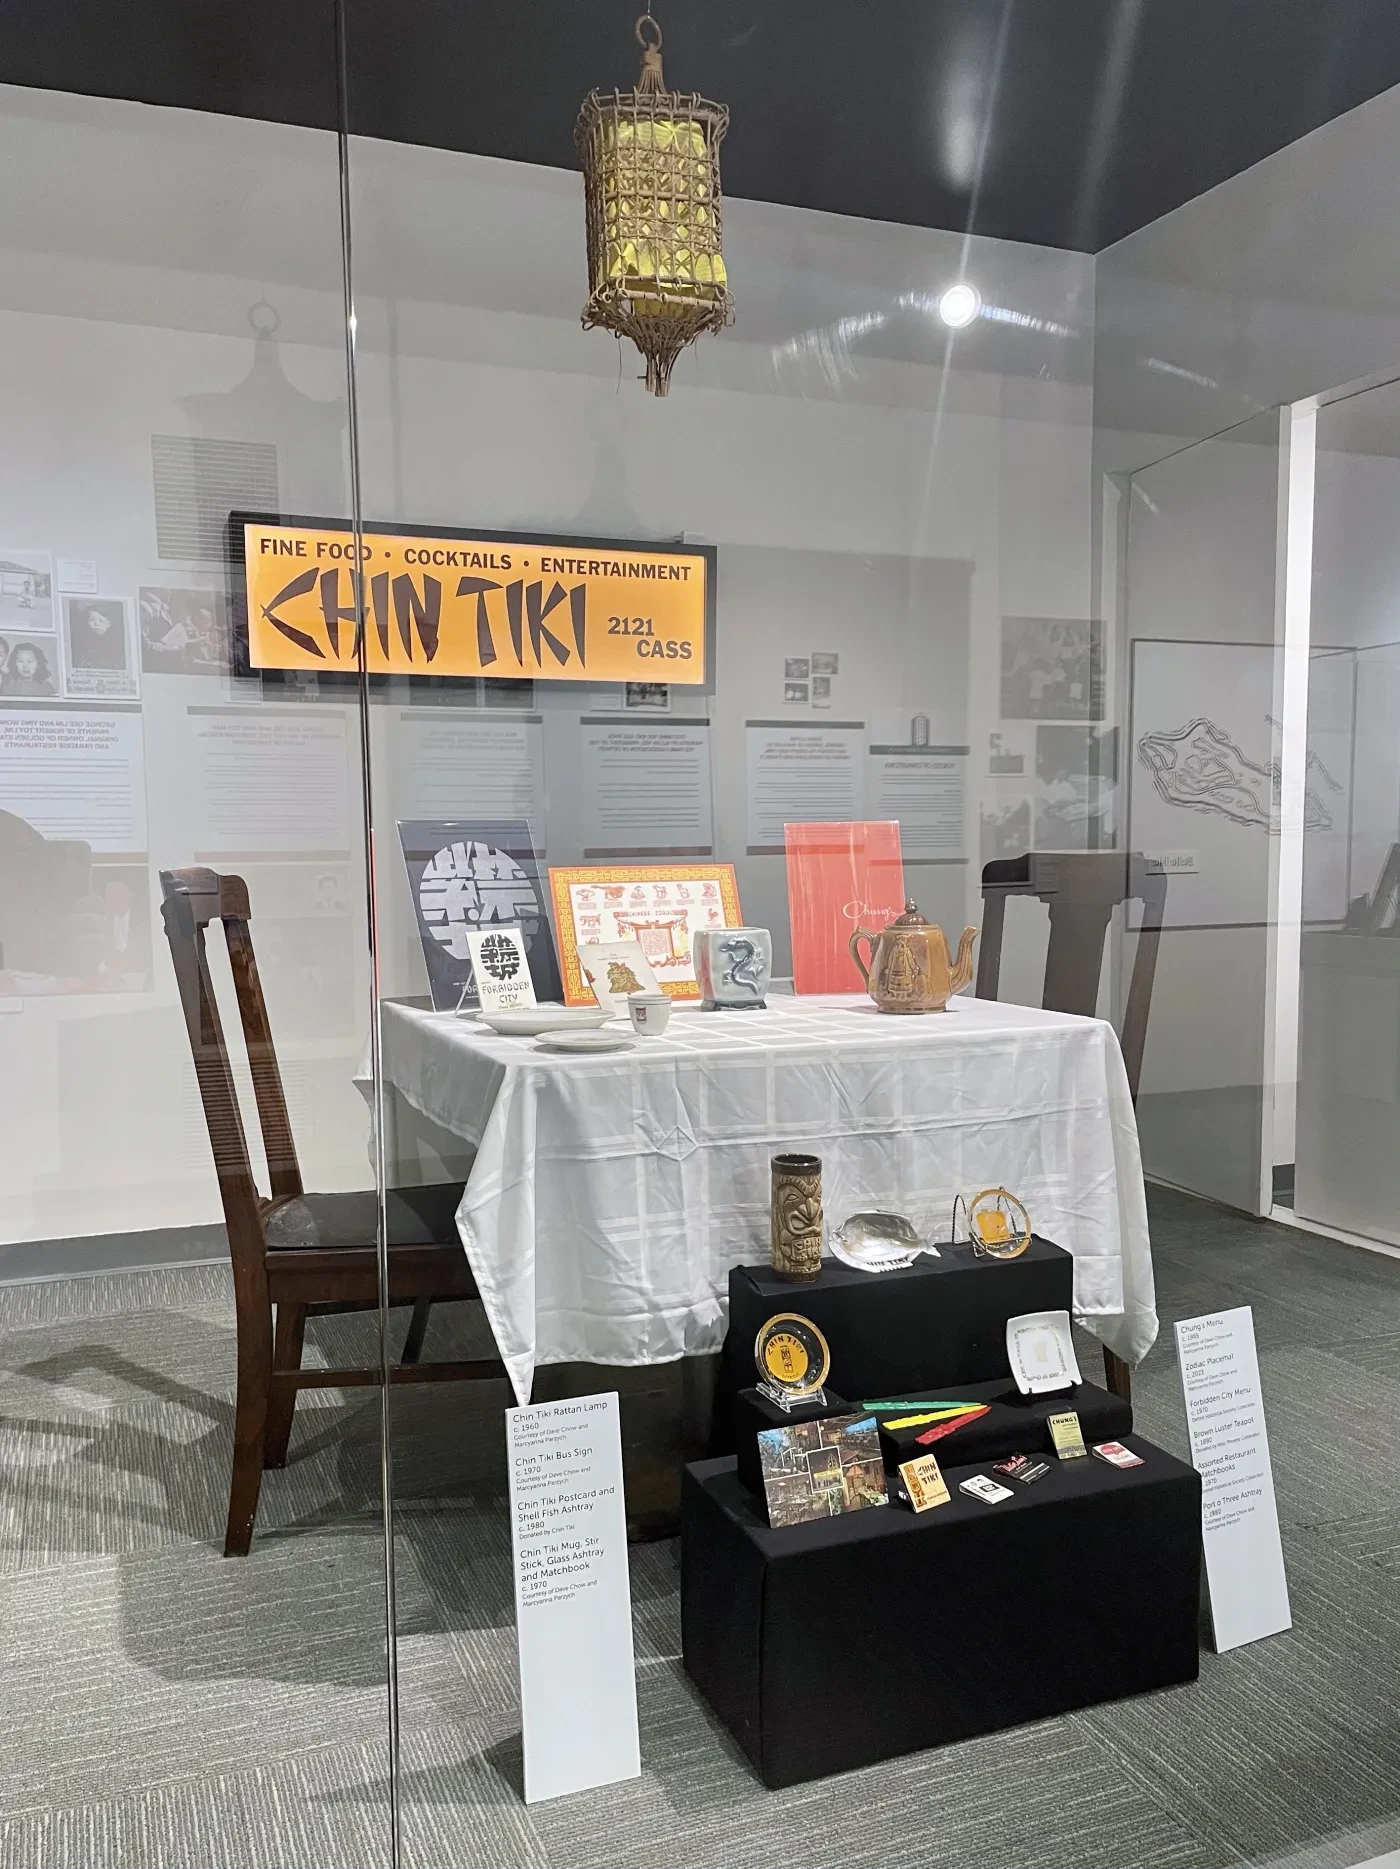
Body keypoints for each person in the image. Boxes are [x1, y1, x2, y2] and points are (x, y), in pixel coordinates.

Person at [68, 602, 127, 670]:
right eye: (91, 620)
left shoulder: (116, 644)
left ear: (109, 623)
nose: (96, 623)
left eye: (101, 621)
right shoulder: (82, 643)